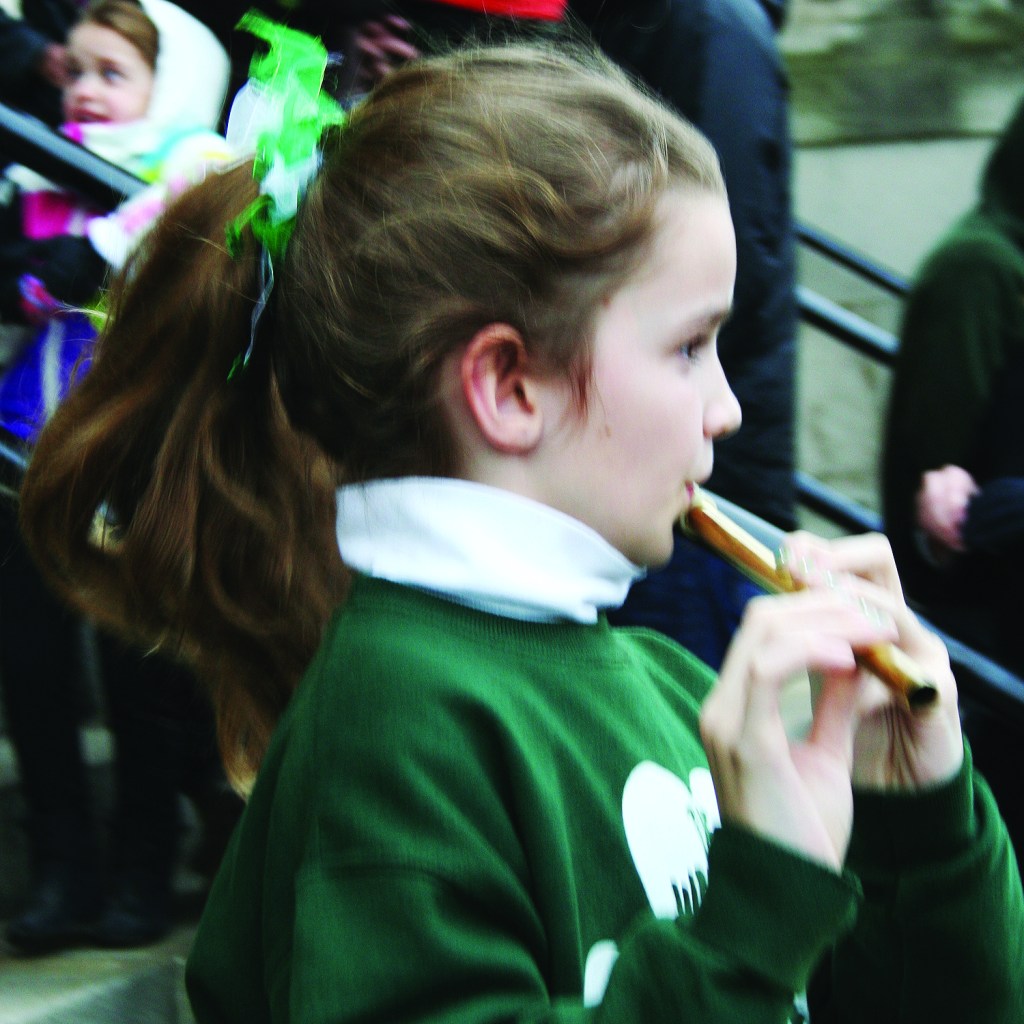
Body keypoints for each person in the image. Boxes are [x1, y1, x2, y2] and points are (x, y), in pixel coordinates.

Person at [17, 28, 1024, 1023]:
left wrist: (915, 817)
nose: (727, 407)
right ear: (506, 385)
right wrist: (754, 906)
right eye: (688, 347)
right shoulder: (394, 726)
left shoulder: (664, 683)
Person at [0, 0, 237, 954]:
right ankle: (64, 868)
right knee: (32, 673)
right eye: (80, 72)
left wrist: (80, 254)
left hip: (131, 464)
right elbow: (23, 272)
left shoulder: (199, 174)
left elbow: (148, 265)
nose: (90, 94)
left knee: (139, 679)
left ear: (166, 84)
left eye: (115, 74)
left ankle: (146, 865)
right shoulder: (28, 170)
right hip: (24, 451)